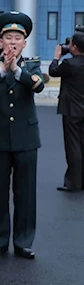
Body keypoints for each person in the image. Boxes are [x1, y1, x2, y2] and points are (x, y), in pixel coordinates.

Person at [0, 11, 43, 259]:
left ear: (24, 42)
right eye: (8, 37)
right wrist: (4, 71)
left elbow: (37, 85)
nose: (13, 42)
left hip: (26, 138)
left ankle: (24, 241)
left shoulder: (32, 64)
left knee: (26, 193)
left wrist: (16, 70)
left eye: (17, 37)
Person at [49, 31, 84, 191]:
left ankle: (73, 182)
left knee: (73, 146)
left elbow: (52, 71)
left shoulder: (70, 64)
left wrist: (57, 56)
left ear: (75, 47)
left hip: (72, 109)